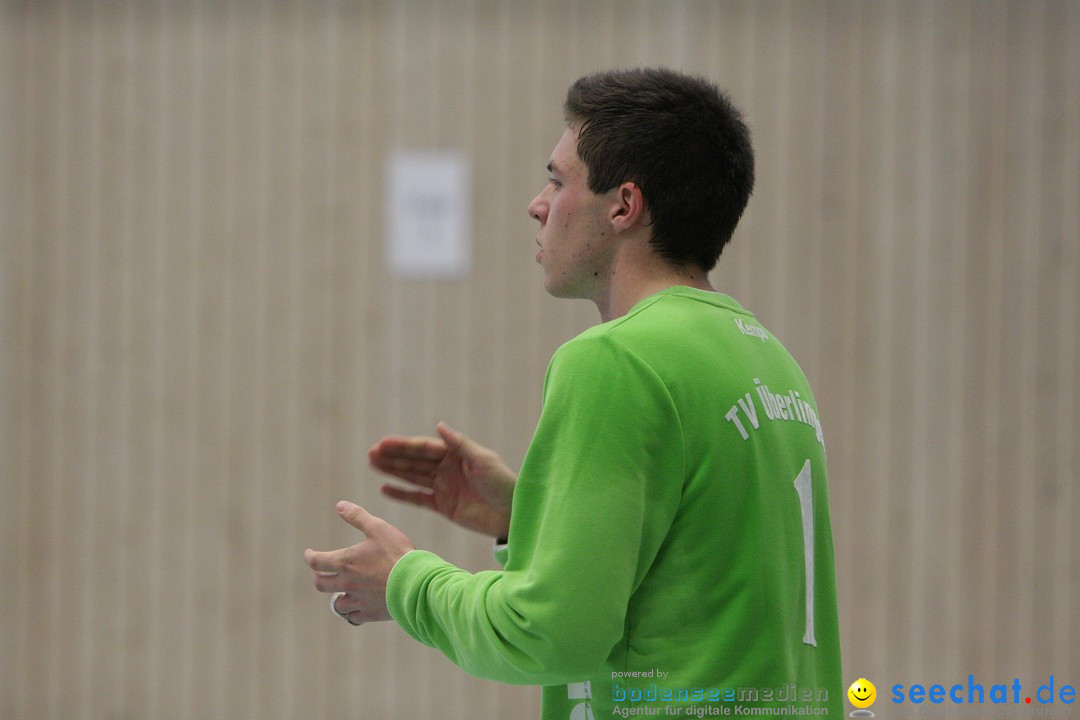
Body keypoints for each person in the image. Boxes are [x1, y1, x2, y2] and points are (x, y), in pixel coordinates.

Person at [305, 67, 843, 720]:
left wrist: (405, 583)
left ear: (623, 205)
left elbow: (548, 635)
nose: (538, 204)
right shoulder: (770, 361)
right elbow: (692, 587)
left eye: (558, 182)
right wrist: (528, 513)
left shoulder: (615, 359)